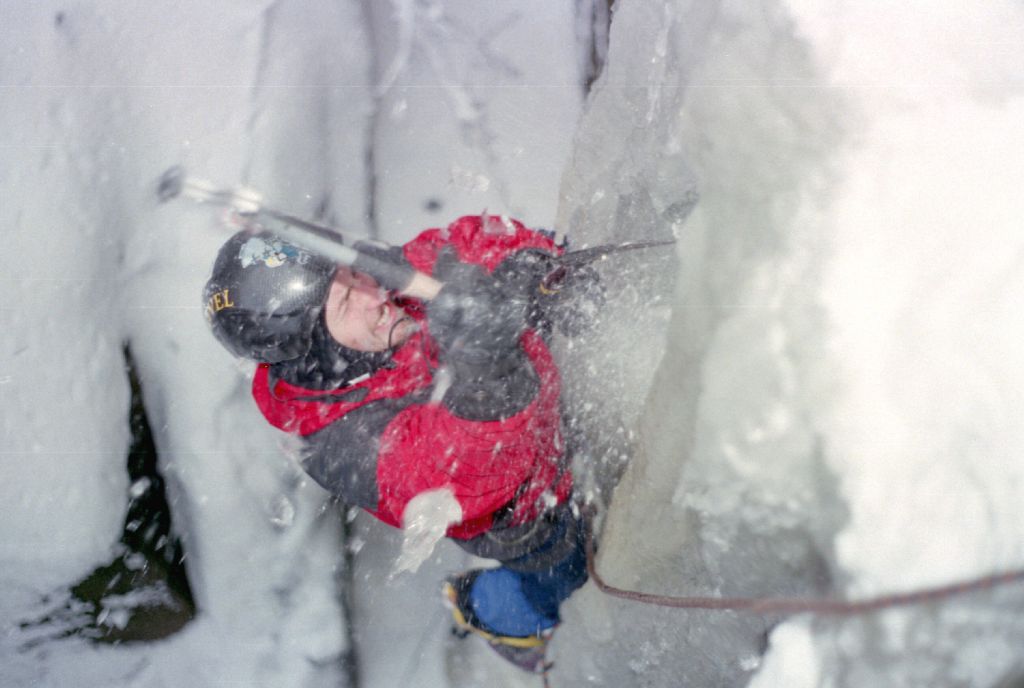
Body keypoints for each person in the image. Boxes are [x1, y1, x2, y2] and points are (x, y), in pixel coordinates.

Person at [202, 214, 598, 672]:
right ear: (315, 350)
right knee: (564, 572)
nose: (374, 293)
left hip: (545, 412)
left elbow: (465, 244)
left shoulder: (383, 289)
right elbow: (459, 474)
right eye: (347, 299)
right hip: (527, 511)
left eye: (349, 272)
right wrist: (489, 367)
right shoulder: (343, 442)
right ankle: (489, 609)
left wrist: (531, 266)